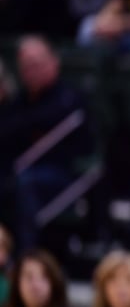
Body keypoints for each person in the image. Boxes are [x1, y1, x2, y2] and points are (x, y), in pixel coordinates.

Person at [0, 35, 96, 250]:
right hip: (18, 169)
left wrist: (22, 128)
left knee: (23, 184)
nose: (32, 70)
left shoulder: (69, 97)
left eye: (37, 63)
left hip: (60, 173)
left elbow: (41, 125)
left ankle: (26, 254)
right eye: (26, 66)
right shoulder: (20, 101)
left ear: (54, 61)